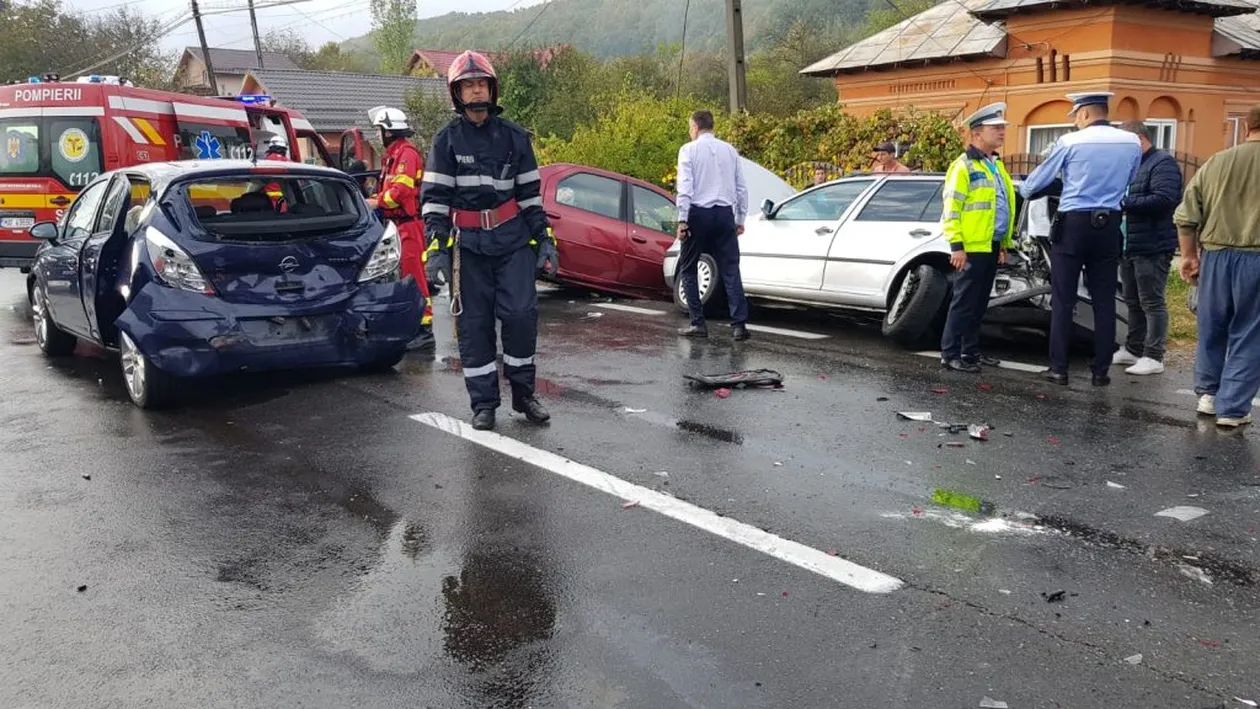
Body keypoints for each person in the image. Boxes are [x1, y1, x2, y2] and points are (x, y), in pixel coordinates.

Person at [420, 50, 557, 431]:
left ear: (492, 89)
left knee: (520, 317)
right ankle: (483, 405)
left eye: (481, 84)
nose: (476, 91)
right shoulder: (445, 142)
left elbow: (530, 199)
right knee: (475, 326)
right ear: (457, 94)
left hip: (512, 243)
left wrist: (544, 240)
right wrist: (436, 250)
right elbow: (434, 202)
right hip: (468, 250)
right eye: (468, 86)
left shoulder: (515, 138)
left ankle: (524, 395)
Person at [1020, 92, 1141, 387]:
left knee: (1064, 299)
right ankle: (1101, 371)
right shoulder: (1132, 142)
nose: (1074, 122)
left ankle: (1059, 369)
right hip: (1109, 225)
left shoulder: (1070, 142)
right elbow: (1130, 180)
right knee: (1104, 300)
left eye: (1075, 116)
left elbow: (1034, 184)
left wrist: (1031, 187)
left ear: (1085, 113)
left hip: (1073, 225)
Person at [1174, 104, 1260, 428]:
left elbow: (1186, 215)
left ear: (1247, 127)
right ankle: (1233, 408)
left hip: (1216, 256)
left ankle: (1208, 395)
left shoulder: (1216, 162)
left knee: (1212, 325)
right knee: (1250, 332)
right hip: (1256, 256)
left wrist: (1189, 256)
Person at [938, 102, 1016, 373]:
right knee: (964, 302)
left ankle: (970, 352)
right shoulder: (963, 166)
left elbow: (1002, 205)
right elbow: (951, 209)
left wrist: (1003, 243)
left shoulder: (994, 165)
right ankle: (950, 353)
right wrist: (956, 246)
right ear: (976, 133)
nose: (1002, 132)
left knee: (979, 303)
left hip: (990, 244)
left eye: (1002, 128)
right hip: (971, 247)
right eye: (995, 128)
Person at [1112, 120, 1182, 376]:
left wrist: (1124, 202)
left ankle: (1154, 355)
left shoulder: (1163, 163)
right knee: (1132, 300)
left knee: (1151, 301)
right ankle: (1133, 347)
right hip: (1130, 244)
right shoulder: (1133, 165)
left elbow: (1165, 198)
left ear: (1139, 139)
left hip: (1153, 244)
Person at [364, 105, 435, 353]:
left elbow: (400, 192)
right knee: (402, 276)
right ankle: (410, 323)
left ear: (388, 131)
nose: (377, 136)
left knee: (414, 277)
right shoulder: (394, 155)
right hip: (397, 225)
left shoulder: (406, 154)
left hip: (409, 225)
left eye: (379, 130)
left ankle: (425, 330)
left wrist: (376, 202)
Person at [674, 109, 750, 341]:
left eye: (690, 127)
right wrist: (739, 219)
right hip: (725, 213)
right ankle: (739, 325)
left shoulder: (688, 150)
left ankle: (698, 323)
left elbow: (685, 187)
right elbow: (741, 188)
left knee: (688, 268)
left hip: (699, 213)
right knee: (730, 269)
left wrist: (682, 219)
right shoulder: (730, 150)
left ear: (695, 127)